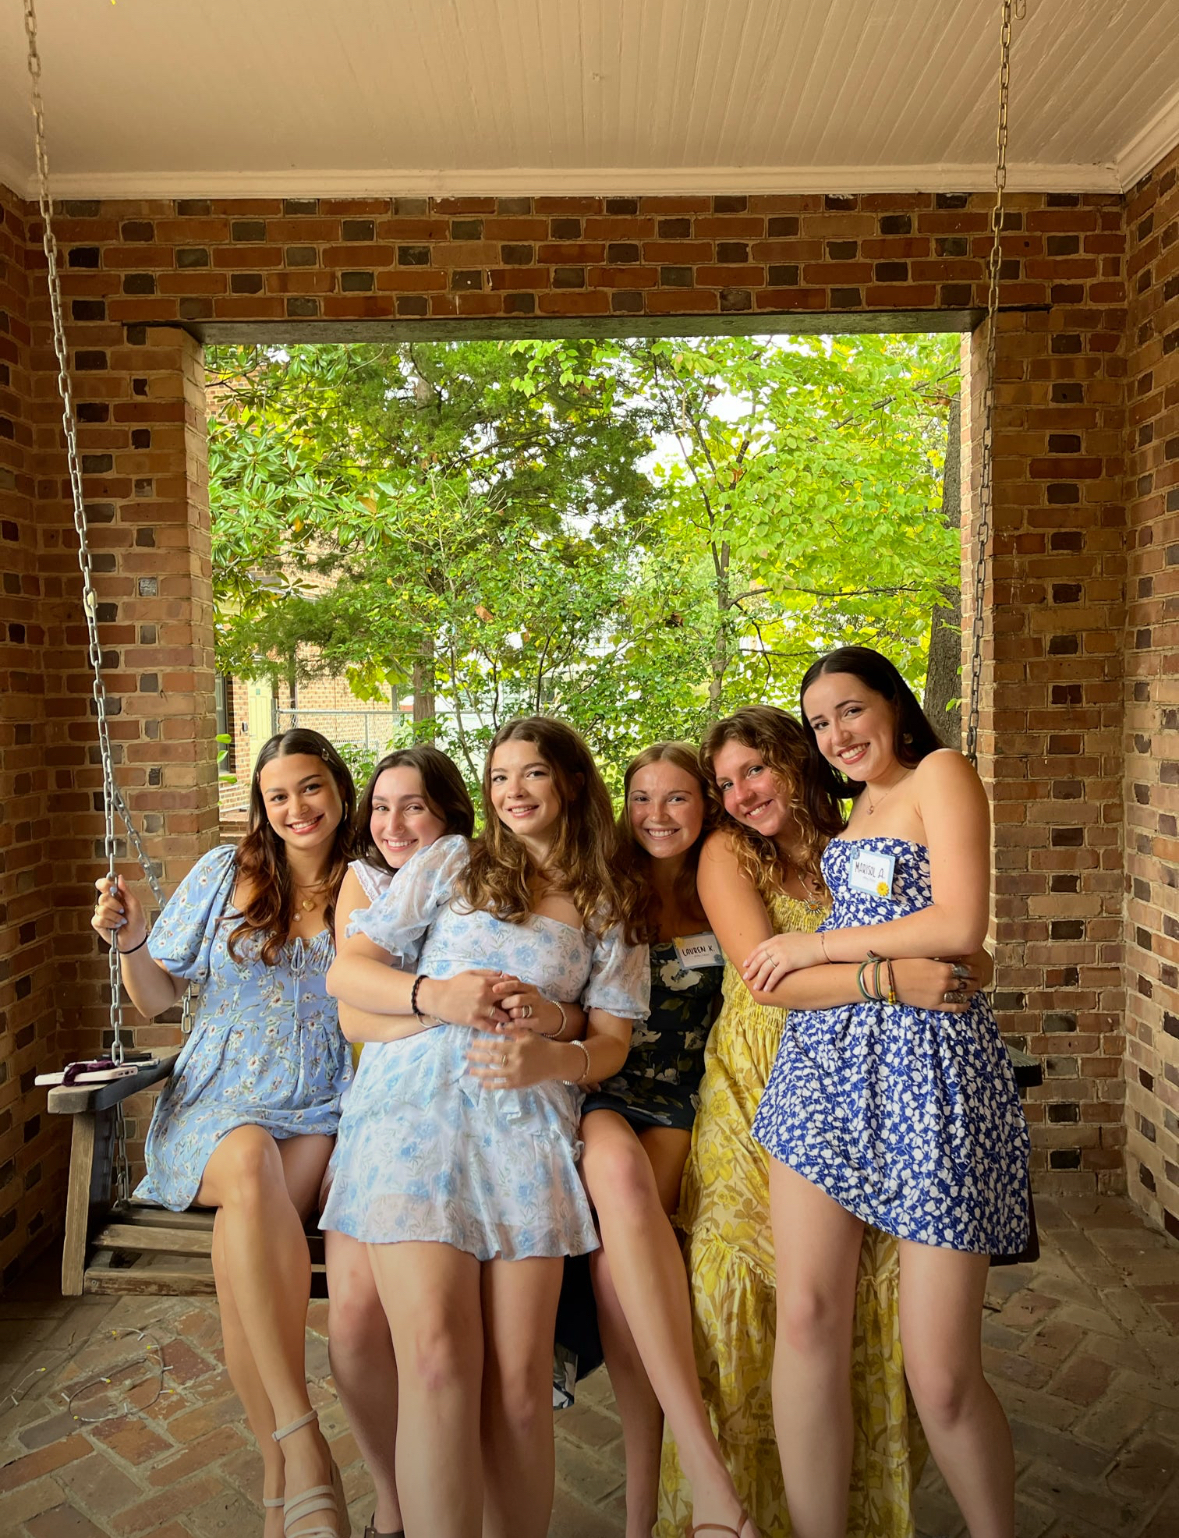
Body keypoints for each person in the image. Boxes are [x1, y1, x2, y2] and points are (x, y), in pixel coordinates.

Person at [658, 705, 996, 1538]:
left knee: (875, 1324)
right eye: (726, 783)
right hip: (762, 1086)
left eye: (755, 772)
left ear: (795, 760)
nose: (739, 795)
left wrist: (940, 968)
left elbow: (964, 949)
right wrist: (895, 978)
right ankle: (738, 1509)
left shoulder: (861, 830)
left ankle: (865, 1511)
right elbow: (768, 981)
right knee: (758, 1302)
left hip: (881, 1085)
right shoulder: (728, 852)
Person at [321, 716, 649, 1538]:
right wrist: (439, 996)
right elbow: (348, 970)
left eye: (531, 774)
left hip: (527, 1133)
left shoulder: (611, 901)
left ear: (569, 782)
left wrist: (552, 1047)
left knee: (518, 1386)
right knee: (435, 1360)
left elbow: (607, 1041)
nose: (511, 792)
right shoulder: (450, 861)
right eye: (499, 777)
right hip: (414, 1118)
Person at [745, 649, 1029, 1538]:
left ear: (894, 707)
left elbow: (956, 925)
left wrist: (815, 946)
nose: (836, 735)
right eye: (820, 724)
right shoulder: (854, 808)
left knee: (939, 1371)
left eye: (849, 711)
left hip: (933, 1076)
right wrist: (863, 960)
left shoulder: (939, 773)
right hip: (824, 1074)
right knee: (807, 1317)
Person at [91, 728, 356, 1538]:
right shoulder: (225, 872)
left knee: (248, 1226)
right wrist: (130, 941)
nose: (296, 807)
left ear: (339, 789)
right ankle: (303, 1436)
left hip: (319, 1105)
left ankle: (282, 1477)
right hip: (215, 1099)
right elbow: (155, 999)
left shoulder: (371, 882)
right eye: (278, 795)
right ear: (261, 806)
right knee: (246, 1164)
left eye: (310, 787)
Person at [579, 742, 754, 1538]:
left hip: (692, 1099)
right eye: (641, 798)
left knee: (626, 1258)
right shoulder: (603, 887)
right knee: (621, 1192)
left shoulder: (727, 880)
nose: (656, 815)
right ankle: (684, 1490)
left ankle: (643, 1510)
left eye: (676, 798)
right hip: (606, 1089)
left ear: (706, 806)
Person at [323, 745, 475, 1538]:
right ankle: (390, 1493)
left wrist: (410, 1015)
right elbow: (352, 1013)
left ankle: (438, 1498)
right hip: (380, 1107)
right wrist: (441, 1006)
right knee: (348, 1322)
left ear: (447, 811)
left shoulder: (467, 872)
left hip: (456, 1113)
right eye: (381, 807)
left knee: (431, 1339)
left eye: (412, 805)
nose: (392, 824)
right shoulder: (365, 880)